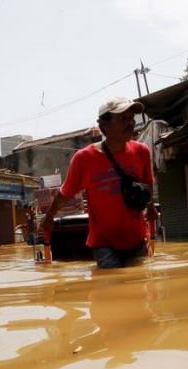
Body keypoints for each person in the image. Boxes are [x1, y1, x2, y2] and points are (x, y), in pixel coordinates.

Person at [41, 97, 157, 268]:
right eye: (123, 119)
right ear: (104, 126)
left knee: (138, 287)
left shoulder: (142, 152)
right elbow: (65, 193)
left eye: (132, 118)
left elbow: (147, 182)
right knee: (110, 287)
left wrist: (150, 206)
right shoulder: (84, 158)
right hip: (104, 243)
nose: (130, 123)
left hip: (137, 239)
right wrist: (49, 217)